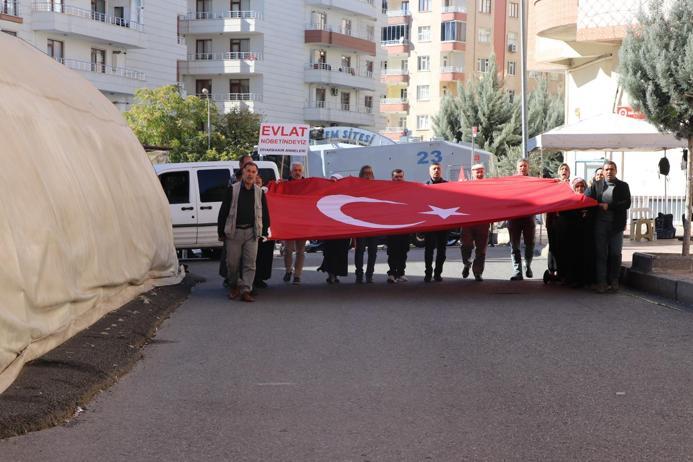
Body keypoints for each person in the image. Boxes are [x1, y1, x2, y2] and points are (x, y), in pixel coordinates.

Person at [217, 162, 267, 302]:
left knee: (250, 263)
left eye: (253, 172)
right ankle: (234, 286)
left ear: (256, 174)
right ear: (243, 172)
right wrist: (220, 232)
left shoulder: (259, 192)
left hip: (252, 232)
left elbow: (265, 212)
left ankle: (246, 290)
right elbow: (223, 212)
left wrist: (264, 231)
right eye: (248, 171)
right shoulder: (232, 190)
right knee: (232, 263)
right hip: (234, 232)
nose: (250, 174)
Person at [586, 161, 631, 293]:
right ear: (603, 171)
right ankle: (601, 282)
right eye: (606, 169)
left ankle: (614, 281)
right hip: (600, 225)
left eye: (612, 169)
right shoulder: (596, 185)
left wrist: (609, 206)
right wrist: (596, 202)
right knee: (601, 254)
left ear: (616, 171)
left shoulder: (623, 186)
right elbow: (587, 199)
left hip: (616, 225)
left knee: (615, 254)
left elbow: (626, 203)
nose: (609, 172)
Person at [220, 154, 254, 286]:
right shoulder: (233, 181)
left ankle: (247, 287)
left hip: (250, 229)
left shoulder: (255, 186)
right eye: (247, 165)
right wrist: (221, 231)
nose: (249, 168)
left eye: (251, 164)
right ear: (241, 166)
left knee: (249, 261)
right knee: (232, 260)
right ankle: (232, 283)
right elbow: (226, 208)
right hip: (234, 227)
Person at [561, 177, 595, 288]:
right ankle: (571, 278)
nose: (580, 188)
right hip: (571, 235)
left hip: (585, 235)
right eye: (577, 186)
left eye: (582, 186)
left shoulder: (589, 200)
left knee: (584, 257)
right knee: (571, 257)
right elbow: (563, 215)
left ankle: (583, 280)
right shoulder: (568, 201)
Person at [318, 174, 351, 283]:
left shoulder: (345, 195)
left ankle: (336, 274)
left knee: (341, 252)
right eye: (332, 181)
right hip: (329, 230)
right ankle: (331, 274)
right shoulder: (324, 194)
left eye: (336, 181)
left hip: (342, 230)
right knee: (329, 252)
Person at [460, 164, 489, 282]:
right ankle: (466, 263)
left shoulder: (490, 186)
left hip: (483, 222)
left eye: (481, 171)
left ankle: (478, 272)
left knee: (481, 249)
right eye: (477, 172)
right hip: (468, 221)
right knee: (466, 245)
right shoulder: (466, 186)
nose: (479, 174)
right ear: (472, 173)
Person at [508, 159, 536, 280]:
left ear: (528, 168)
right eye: (520, 166)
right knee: (515, 246)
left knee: (530, 244)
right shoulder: (511, 182)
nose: (522, 168)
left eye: (525, 166)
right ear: (517, 168)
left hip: (529, 217)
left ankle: (527, 264)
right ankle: (517, 271)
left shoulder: (534, 182)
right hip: (514, 218)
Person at [545, 163, 571, 283]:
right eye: (562, 169)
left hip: (567, 220)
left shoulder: (572, 185)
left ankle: (563, 271)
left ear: (569, 172)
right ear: (558, 172)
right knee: (553, 246)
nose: (564, 170)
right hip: (553, 219)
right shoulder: (553, 184)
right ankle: (552, 270)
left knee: (565, 246)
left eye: (566, 169)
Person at [282, 161, 306, 285]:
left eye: (299, 170)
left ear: (302, 172)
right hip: (289, 223)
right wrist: (277, 185)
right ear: (291, 172)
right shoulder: (284, 185)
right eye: (295, 170)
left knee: (301, 251)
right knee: (288, 250)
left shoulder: (308, 184)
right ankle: (288, 270)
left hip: (302, 222)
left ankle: (297, 275)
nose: (297, 172)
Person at [424, 163, 448, 282]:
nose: (436, 171)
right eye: (434, 169)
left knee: (442, 251)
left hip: (443, 224)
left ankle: (438, 273)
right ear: (430, 172)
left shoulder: (448, 185)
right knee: (429, 250)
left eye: (438, 168)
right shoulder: (424, 186)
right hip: (430, 224)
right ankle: (428, 273)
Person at [354, 165, 378, 283]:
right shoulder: (356, 188)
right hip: (360, 224)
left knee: (373, 251)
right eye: (365, 173)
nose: (368, 175)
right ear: (361, 174)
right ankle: (359, 274)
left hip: (373, 224)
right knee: (360, 250)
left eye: (370, 173)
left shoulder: (377, 187)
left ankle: (369, 274)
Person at [386, 169, 410, 283]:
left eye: (400, 177)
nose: (398, 179)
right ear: (392, 178)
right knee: (392, 252)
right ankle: (392, 273)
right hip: (392, 227)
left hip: (405, 226)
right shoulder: (387, 190)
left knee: (403, 251)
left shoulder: (408, 190)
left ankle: (401, 273)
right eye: (396, 177)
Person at [253, 174, 273, 289]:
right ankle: (252, 279)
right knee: (253, 256)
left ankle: (260, 278)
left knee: (264, 256)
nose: (257, 180)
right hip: (254, 230)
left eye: (259, 178)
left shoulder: (267, 193)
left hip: (266, 230)